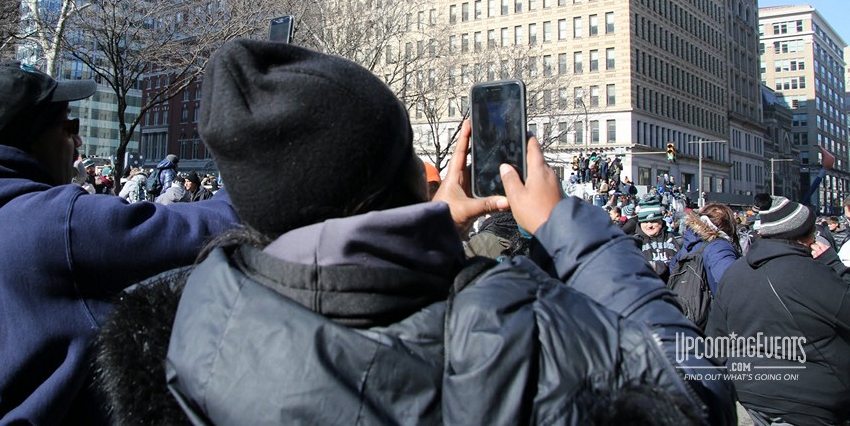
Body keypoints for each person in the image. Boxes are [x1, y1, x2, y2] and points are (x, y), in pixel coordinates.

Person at [93, 39, 733, 425]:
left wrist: (425, 230)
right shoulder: (512, 332)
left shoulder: (192, 327)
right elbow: (692, 395)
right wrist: (569, 227)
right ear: (406, 179)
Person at [0, 61, 239, 424]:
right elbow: (217, 223)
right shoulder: (53, 222)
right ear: (25, 139)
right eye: (67, 126)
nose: (77, 142)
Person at [707, 196, 850, 425]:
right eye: (813, 232)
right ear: (803, 237)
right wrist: (834, 264)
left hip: (751, 393)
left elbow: (716, 341)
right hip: (811, 398)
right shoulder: (812, 273)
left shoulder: (735, 272)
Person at [669, 204, 741, 298]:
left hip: (685, 307)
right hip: (711, 309)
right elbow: (731, 283)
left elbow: (673, 267)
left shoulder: (689, 243)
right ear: (728, 225)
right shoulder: (719, 247)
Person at [632, 196, 682, 282]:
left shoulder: (677, 239)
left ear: (661, 221)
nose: (649, 225)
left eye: (653, 221)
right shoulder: (633, 243)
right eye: (645, 222)